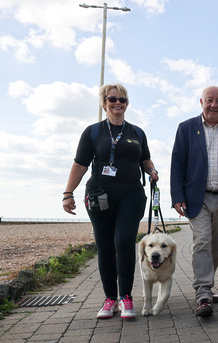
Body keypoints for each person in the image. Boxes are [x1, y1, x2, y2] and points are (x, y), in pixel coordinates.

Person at [63, 83, 159, 319]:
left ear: (127, 104)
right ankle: (109, 299)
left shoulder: (137, 133)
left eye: (123, 100)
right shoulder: (93, 132)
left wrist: (152, 170)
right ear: (104, 103)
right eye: (112, 99)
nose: (118, 103)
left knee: (124, 241)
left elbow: (145, 159)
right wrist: (68, 193)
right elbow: (80, 165)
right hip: (99, 194)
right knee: (105, 245)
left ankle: (126, 297)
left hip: (131, 194)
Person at [170, 85, 218, 317]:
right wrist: (177, 197)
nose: (214, 105)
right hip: (197, 198)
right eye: (210, 100)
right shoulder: (186, 128)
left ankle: (207, 284)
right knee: (202, 242)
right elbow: (177, 164)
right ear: (201, 102)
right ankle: (203, 292)